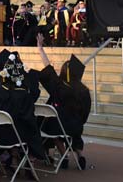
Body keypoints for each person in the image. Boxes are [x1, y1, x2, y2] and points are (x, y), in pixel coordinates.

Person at [36, 33, 91, 169]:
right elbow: (85, 113)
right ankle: (80, 156)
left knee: (52, 128)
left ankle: (64, 156)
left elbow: (48, 69)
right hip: (76, 126)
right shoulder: (84, 90)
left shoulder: (58, 86)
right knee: (74, 131)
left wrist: (40, 48)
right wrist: (79, 121)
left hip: (59, 125)